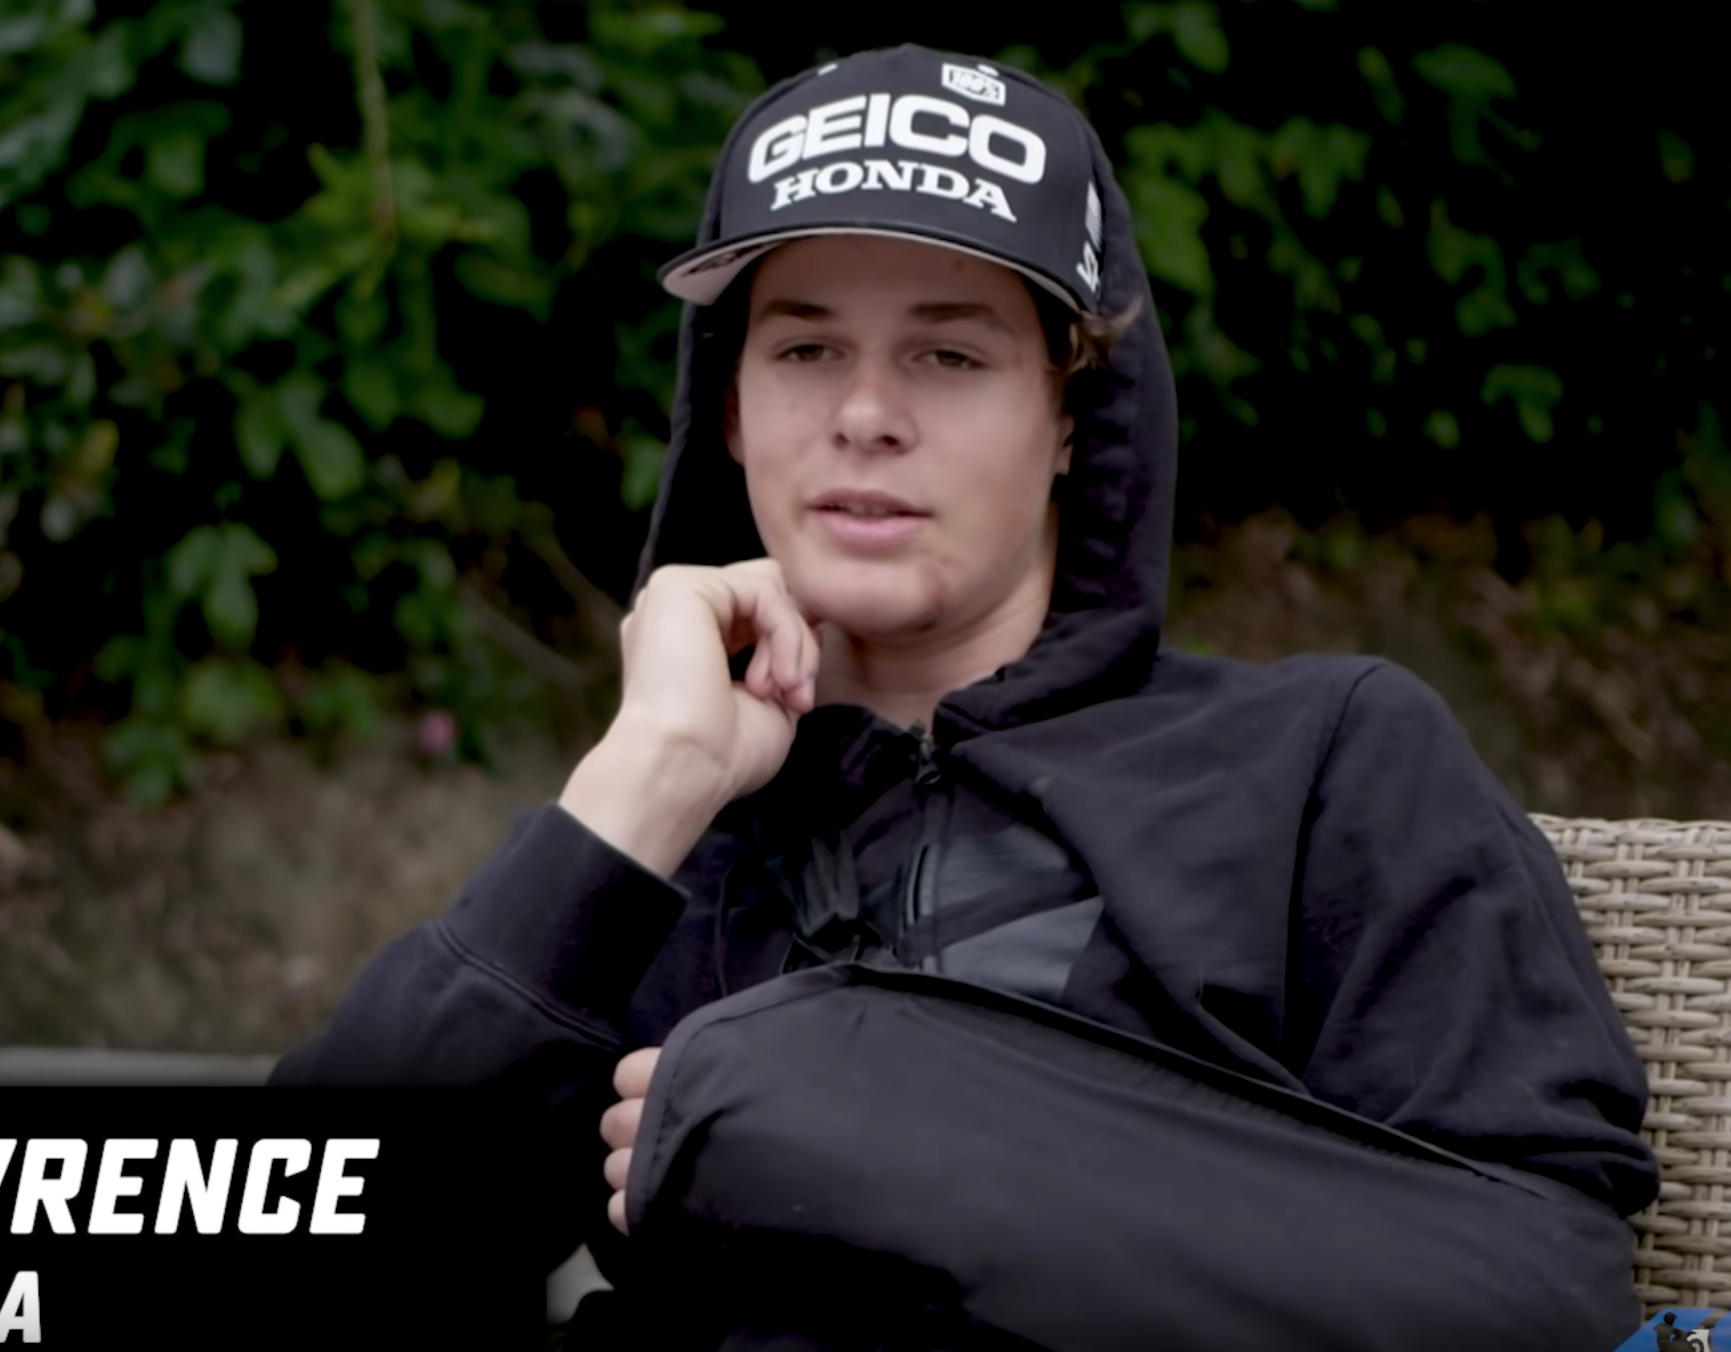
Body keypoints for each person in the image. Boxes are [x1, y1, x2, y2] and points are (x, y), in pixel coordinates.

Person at [271, 44, 1659, 1350]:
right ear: (730, 408)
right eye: (804, 349)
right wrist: (641, 785)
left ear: (1070, 413)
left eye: (949, 355)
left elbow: (1536, 1293)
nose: (865, 413)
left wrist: (889, 1117)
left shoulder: (1315, 764)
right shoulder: (645, 850)